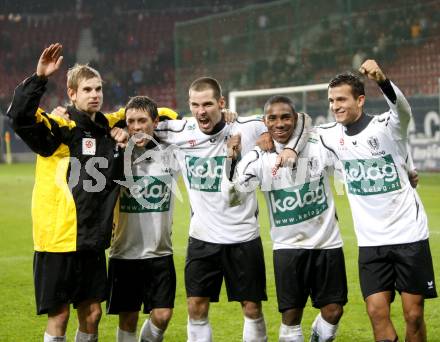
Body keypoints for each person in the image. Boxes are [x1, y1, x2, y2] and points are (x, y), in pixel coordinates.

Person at [154, 77, 310, 342]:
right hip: (202, 237)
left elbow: (303, 119)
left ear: (221, 103)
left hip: (244, 237)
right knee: (196, 307)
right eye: (194, 105)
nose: (201, 111)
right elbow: (141, 118)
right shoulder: (181, 131)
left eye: (207, 104)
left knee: (251, 308)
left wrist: (290, 146)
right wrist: (121, 130)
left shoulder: (248, 127)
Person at [6, 43, 126, 342]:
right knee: (59, 315)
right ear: (72, 94)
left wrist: (223, 114)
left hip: (92, 238)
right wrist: (39, 78)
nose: (95, 94)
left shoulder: (108, 126)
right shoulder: (59, 126)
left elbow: (152, 112)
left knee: (93, 314)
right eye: (87, 90)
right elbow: (20, 117)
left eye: (98, 89)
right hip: (58, 239)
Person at [319, 59, 437, 342]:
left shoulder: (387, 126)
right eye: (331, 100)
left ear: (360, 100)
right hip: (371, 240)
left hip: (409, 233)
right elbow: (293, 129)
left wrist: (382, 80)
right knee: (375, 311)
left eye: (342, 99)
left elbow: (402, 109)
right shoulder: (329, 136)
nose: (335, 105)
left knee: (413, 314)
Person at [222, 95, 347, 342]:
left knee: (333, 311)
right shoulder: (258, 158)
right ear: (265, 123)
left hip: (327, 243)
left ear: (295, 118)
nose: (280, 124)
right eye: (273, 118)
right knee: (291, 317)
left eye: (286, 117)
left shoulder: (317, 143)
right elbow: (231, 197)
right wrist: (231, 159)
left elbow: (310, 121)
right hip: (288, 248)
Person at [107, 97, 180, 342]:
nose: (136, 127)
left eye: (142, 121)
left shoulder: (171, 154)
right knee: (127, 318)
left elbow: (189, 126)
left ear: (155, 122)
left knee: (162, 315)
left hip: (160, 252)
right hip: (124, 252)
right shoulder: (115, 153)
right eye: (130, 122)